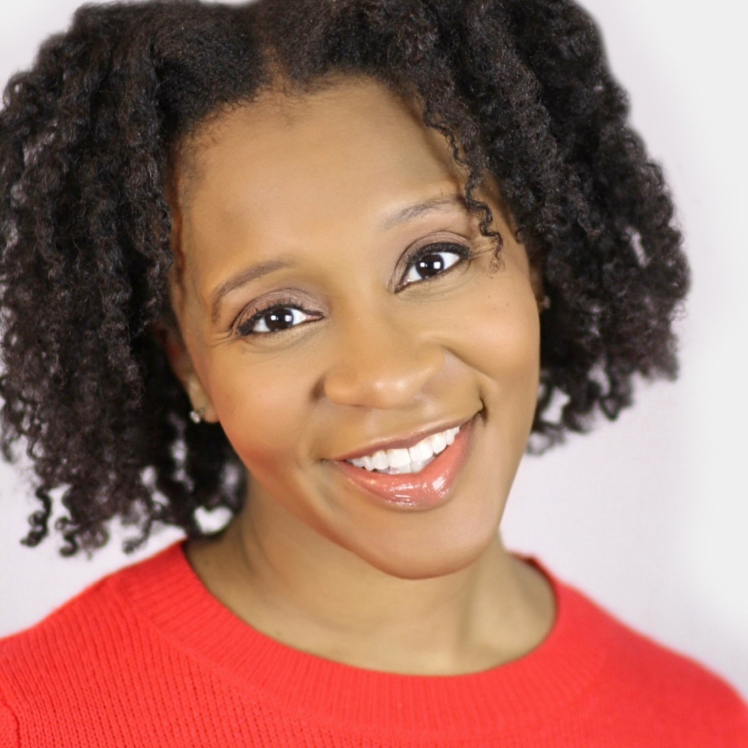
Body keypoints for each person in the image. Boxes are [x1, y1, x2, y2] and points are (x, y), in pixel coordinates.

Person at [0, 0, 746, 745]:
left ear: (534, 260)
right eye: (276, 316)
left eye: (433, 261)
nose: (385, 377)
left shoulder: (698, 723)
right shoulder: (30, 718)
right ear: (189, 365)